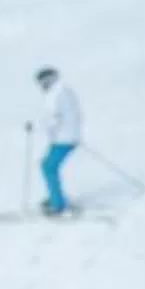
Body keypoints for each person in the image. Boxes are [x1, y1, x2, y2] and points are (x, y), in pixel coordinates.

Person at [34, 65, 84, 214]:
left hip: (64, 139)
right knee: (48, 166)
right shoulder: (63, 90)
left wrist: (36, 126)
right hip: (66, 137)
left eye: (41, 82)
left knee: (48, 167)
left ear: (48, 80)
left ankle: (58, 205)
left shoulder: (56, 93)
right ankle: (56, 198)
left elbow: (53, 118)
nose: (41, 86)